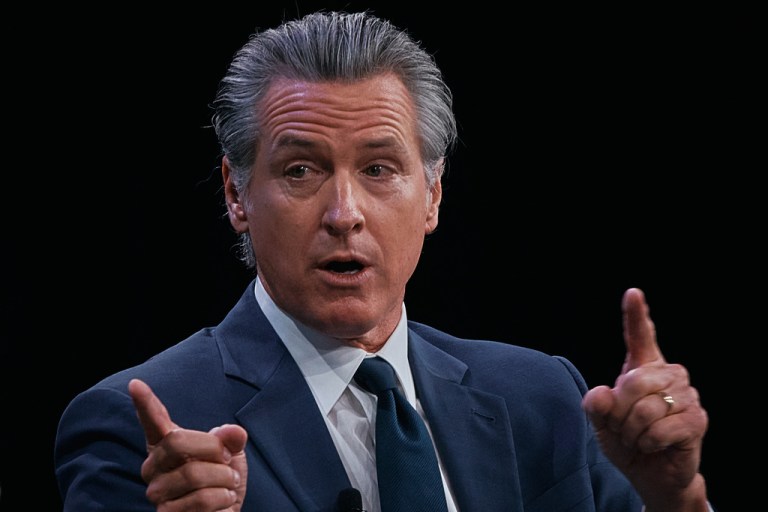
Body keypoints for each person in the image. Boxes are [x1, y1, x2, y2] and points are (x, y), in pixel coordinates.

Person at [54, 10, 714, 512]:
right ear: (236, 194)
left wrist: (675, 497)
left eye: (378, 168)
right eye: (301, 169)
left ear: (432, 194)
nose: (345, 213)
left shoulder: (543, 400)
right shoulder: (141, 427)